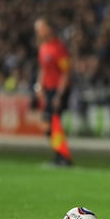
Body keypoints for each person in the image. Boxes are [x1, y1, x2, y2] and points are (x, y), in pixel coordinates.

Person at [34, 17, 73, 166]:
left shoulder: (58, 48)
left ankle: (63, 158)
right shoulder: (43, 48)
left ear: (48, 29)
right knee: (48, 124)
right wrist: (39, 87)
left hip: (58, 90)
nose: (38, 32)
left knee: (53, 122)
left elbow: (65, 72)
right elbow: (42, 69)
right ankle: (60, 155)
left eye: (40, 28)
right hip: (48, 90)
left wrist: (59, 94)